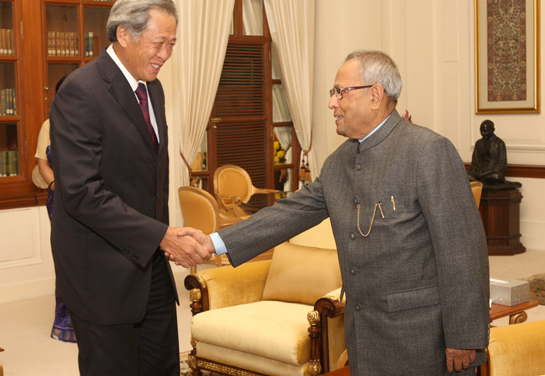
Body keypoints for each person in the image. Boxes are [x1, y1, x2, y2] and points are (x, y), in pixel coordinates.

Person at [178, 50, 490, 375]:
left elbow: (462, 250)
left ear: (375, 95)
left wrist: (465, 336)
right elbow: (288, 213)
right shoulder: (338, 163)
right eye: (333, 93)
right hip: (363, 335)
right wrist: (213, 241)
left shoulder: (428, 151)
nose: (332, 102)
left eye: (341, 92)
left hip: (423, 337)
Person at [49, 0, 210, 376]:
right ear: (124, 34)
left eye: (172, 44)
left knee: (164, 366)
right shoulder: (81, 90)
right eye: (159, 43)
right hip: (101, 273)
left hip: (149, 266)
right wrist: (161, 235)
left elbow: (149, 179)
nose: (166, 54)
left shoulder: (152, 89)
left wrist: (162, 239)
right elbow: (82, 193)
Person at [35, 75, 76, 343]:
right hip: (59, 199)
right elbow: (42, 162)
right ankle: (68, 321)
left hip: (93, 199)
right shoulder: (49, 125)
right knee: (67, 257)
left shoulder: (94, 119)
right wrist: (55, 188)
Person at [469, 120, 507, 184]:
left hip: (491, 173)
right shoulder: (478, 143)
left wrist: (484, 174)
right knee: (465, 175)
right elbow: (474, 162)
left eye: (486, 131)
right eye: (481, 131)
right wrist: (476, 171)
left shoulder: (499, 143)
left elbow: (502, 164)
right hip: (479, 171)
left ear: (493, 130)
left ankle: (482, 180)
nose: (483, 133)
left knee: (495, 177)